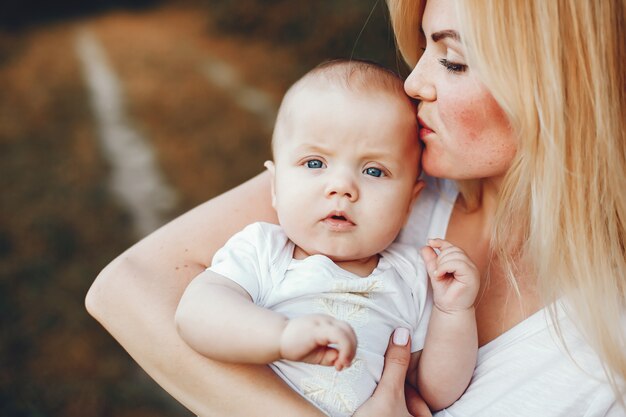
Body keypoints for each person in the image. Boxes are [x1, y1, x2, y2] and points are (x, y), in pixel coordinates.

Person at [85, 0, 626, 415]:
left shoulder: (396, 198)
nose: (414, 82)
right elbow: (129, 288)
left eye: (454, 61)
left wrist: (453, 313)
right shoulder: (372, 182)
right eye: (425, 50)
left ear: (564, 88)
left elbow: (435, 385)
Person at [174, 59, 480, 417]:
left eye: (373, 170)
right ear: (274, 186)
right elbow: (196, 314)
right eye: (315, 163)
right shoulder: (265, 251)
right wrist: (281, 337)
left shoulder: (411, 276)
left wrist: (454, 312)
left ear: (410, 203)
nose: (342, 188)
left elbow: (437, 391)